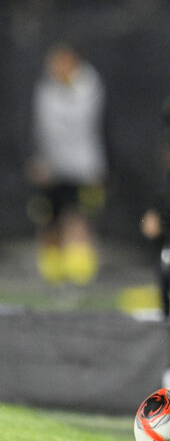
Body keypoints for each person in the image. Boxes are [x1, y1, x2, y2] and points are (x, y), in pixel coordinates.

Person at [27, 42, 107, 285]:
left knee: (78, 217)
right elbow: (35, 128)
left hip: (84, 168)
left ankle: (81, 275)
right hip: (50, 168)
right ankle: (51, 275)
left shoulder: (91, 88)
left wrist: (102, 169)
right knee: (47, 219)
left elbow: (103, 129)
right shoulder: (44, 91)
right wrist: (36, 159)